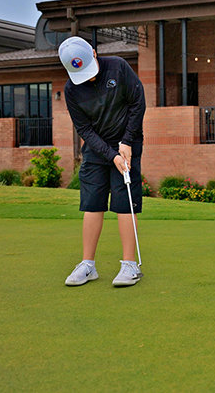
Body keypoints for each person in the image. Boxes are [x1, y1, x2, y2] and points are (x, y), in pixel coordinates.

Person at [57, 36, 146, 287]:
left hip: (127, 144)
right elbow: (84, 129)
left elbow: (138, 103)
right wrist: (111, 155)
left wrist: (126, 142)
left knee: (124, 202)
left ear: (94, 54)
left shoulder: (118, 67)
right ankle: (88, 265)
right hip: (97, 150)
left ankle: (130, 265)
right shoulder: (72, 89)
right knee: (92, 203)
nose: (90, 78)